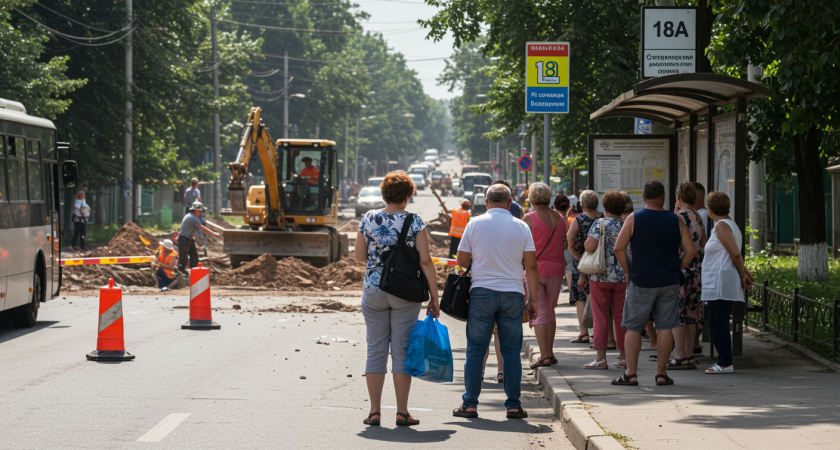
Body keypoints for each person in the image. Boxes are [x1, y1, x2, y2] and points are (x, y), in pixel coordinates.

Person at [355, 171, 440, 427]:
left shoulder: (368, 218)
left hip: (373, 289)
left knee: (375, 349)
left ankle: (374, 412)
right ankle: (402, 412)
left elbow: (359, 256)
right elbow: (425, 260)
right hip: (405, 293)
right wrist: (434, 297)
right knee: (401, 350)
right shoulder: (415, 223)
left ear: (384, 193)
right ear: (407, 195)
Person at [453, 184, 538, 419]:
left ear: (486, 202)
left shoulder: (474, 223)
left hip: (481, 293)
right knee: (511, 352)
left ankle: (469, 404)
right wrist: (533, 300)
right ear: (510, 203)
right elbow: (530, 266)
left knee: (476, 351)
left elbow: (461, 260)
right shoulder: (521, 227)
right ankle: (513, 405)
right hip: (513, 294)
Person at [613, 180, 696, 387]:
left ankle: (630, 374)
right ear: (664, 197)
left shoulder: (634, 218)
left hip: (641, 280)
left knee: (633, 327)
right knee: (665, 327)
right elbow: (691, 251)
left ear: (643, 197)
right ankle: (661, 374)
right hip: (669, 281)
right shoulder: (675, 219)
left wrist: (627, 269)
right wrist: (676, 267)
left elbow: (618, 248)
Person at [702, 191, 753, 374]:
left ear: (710, 208)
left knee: (718, 322)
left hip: (721, 280)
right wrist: (745, 272)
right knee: (719, 321)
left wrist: (741, 274)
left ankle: (725, 363)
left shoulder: (722, 226)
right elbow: (732, 253)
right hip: (721, 278)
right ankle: (724, 361)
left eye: (707, 205)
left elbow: (735, 254)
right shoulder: (728, 224)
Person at [581, 191, 629, 369]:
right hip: (622, 277)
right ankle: (624, 358)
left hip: (600, 276)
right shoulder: (627, 224)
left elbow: (589, 246)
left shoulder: (599, 224)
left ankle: (601, 359)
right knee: (622, 317)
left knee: (600, 317)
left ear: (605, 207)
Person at [523, 183, 566, 369]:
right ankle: (550, 353)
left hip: (535, 271)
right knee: (549, 311)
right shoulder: (561, 218)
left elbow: (520, 245)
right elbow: (564, 244)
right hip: (556, 271)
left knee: (537, 312)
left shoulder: (529, 218)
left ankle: (544, 356)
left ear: (532, 198)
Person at [667, 183, 707, 370]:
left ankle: (680, 355)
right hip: (696, 271)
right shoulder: (698, 216)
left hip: (681, 269)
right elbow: (703, 246)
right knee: (692, 313)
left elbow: (672, 245)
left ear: (677, 197)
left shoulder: (677, 218)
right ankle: (689, 354)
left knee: (677, 314)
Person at [566, 190, 603, 344]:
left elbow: (570, 239)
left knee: (581, 297)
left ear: (582, 204)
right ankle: (601, 333)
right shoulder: (604, 218)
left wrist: (576, 255)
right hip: (602, 262)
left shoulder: (579, 219)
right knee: (601, 297)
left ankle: (584, 333)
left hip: (583, 263)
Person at [177, 202, 221, 273]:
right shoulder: (192, 217)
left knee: (194, 255)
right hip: (184, 238)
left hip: (189, 239)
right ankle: (180, 271)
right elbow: (202, 228)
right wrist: (214, 234)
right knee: (183, 256)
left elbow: (193, 230)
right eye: (200, 211)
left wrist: (197, 240)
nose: (201, 213)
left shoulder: (192, 217)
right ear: (195, 210)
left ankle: (194, 270)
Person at [554, 194, 573, 292]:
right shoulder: (568, 219)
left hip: (557, 249)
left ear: (555, 206)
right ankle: (570, 290)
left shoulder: (554, 218)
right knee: (569, 269)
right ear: (568, 206)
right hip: (568, 248)